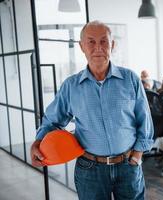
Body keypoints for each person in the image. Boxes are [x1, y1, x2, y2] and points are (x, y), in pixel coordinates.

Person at [30, 21, 154, 200]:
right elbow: (52, 121)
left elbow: (145, 121)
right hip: (90, 170)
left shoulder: (130, 80)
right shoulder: (71, 86)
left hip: (128, 166)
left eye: (104, 41)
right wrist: (37, 143)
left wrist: (137, 156)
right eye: (91, 42)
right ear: (82, 46)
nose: (98, 48)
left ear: (112, 45)